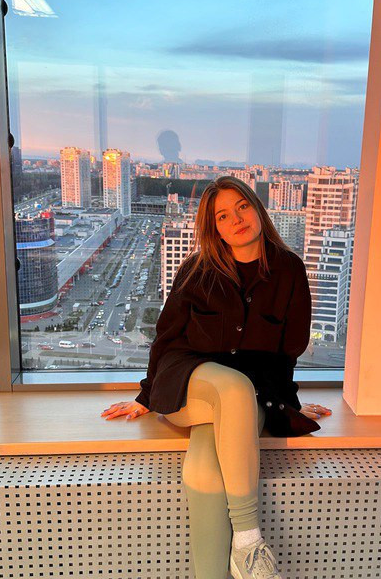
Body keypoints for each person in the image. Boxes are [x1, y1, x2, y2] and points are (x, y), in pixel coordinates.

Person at [101, 175, 332, 579]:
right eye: (223, 216)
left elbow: (288, 351)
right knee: (233, 386)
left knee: (206, 469)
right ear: (215, 229)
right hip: (189, 382)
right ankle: (249, 542)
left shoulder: (289, 269)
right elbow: (167, 336)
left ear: (257, 209)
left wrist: (288, 404)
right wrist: (145, 396)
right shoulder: (197, 269)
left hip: (252, 393)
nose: (236, 219)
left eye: (242, 207)